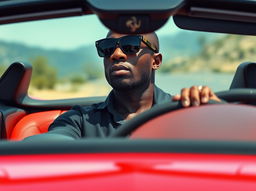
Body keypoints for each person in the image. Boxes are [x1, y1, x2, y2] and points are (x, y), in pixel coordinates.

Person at [27, 31, 221, 140]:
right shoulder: (79, 120)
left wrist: (215, 113)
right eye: (107, 48)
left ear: (156, 61)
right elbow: (49, 146)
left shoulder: (186, 112)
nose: (116, 54)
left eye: (131, 46)